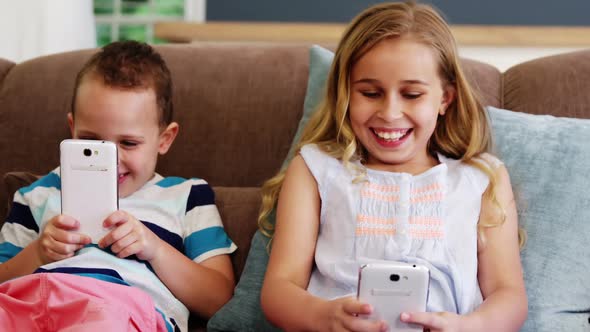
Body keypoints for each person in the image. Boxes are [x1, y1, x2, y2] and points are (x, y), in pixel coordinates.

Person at [259, 2, 527, 331]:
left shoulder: (481, 178)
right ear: (345, 94)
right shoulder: (317, 170)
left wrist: (467, 326)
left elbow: (508, 294)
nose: (389, 112)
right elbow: (278, 290)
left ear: (445, 99)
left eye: (412, 94)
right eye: (370, 93)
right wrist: (323, 316)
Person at [0, 40, 236, 331]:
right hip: (31, 299)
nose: (111, 161)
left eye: (128, 143)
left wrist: (155, 249)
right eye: (90, 141)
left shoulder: (188, 196)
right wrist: (37, 253)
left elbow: (220, 299)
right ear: (72, 128)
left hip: (119, 307)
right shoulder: (35, 194)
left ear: (165, 139)